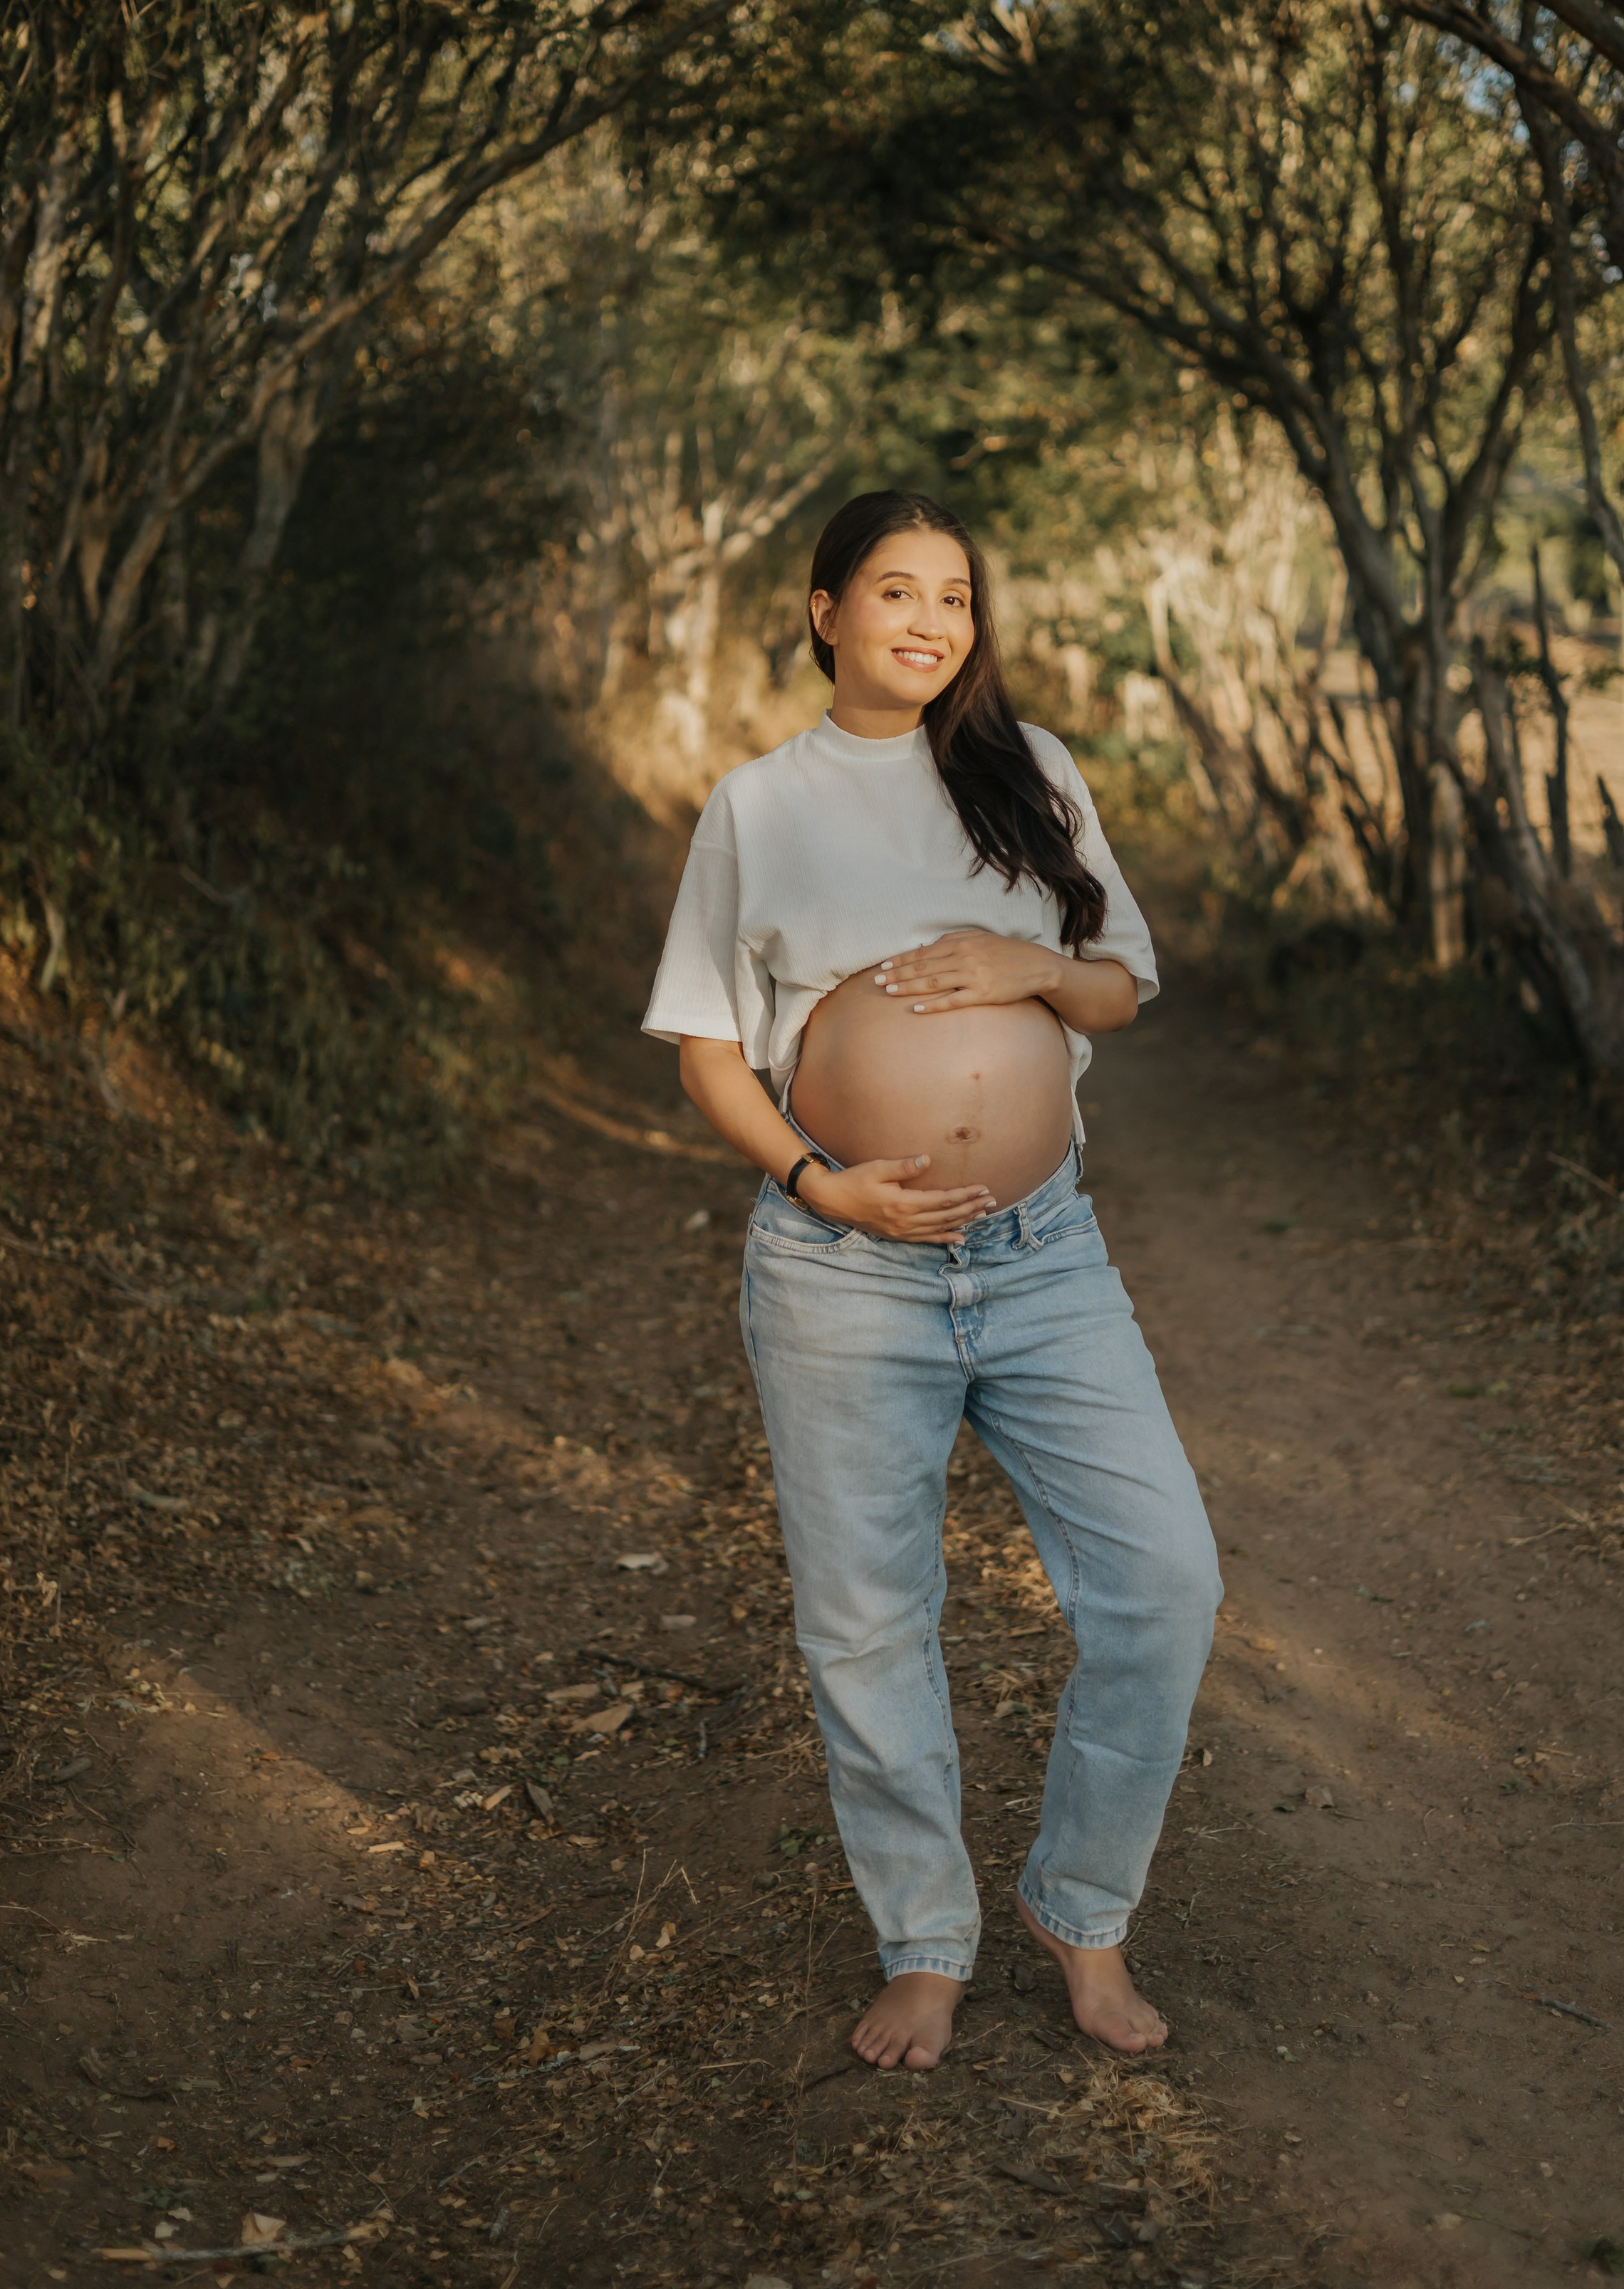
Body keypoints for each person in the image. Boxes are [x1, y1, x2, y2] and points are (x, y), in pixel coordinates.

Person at [642, 489, 1221, 2070]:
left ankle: (1079, 1910)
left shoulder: (1030, 779)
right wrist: (822, 1180)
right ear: (822, 609)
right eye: (892, 590)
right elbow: (706, 1044)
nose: (928, 619)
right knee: (866, 1621)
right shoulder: (760, 805)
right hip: (841, 1274)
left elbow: (1116, 989)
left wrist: (1034, 968)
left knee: (1164, 1583)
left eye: (954, 596)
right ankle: (924, 1939)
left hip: (1042, 1263)